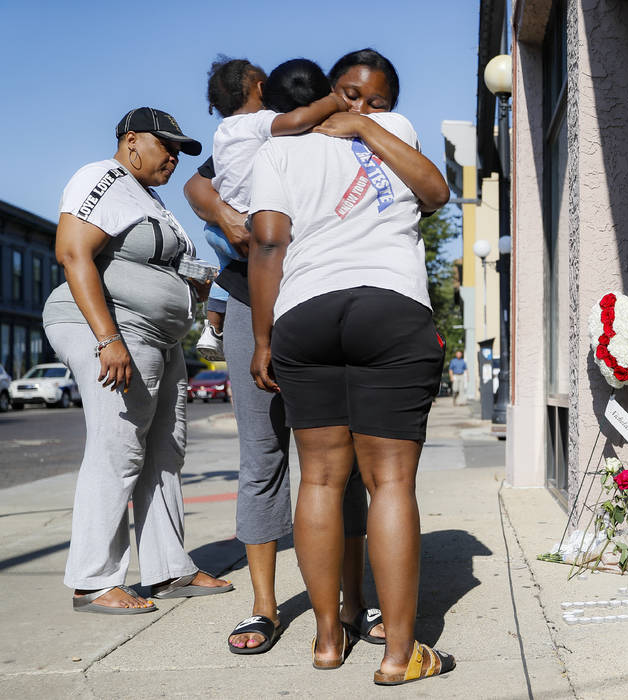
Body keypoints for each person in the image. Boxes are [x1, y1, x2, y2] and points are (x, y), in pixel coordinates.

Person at [247, 48, 454, 682]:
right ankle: (398, 654)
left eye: (376, 103)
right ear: (328, 89)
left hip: (306, 311)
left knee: (319, 481)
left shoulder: (280, 150)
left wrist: (264, 339)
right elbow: (437, 195)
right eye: (351, 95)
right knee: (389, 482)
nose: (362, 108)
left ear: (386, 104)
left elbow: (267, 242)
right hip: (389, 306)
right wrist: (372, 129)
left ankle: (327, 641)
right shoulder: (400, 131)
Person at [184, 58, 384, 655]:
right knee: (262, 454)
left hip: (323, 296)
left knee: (340, 457)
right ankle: (264, 606)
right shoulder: (266, 128)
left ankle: (353, 602)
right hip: (252, 299)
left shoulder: (338, 133)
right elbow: (199, 182)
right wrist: (219, 210)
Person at [43, 107, 234, 614]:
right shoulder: (102, 177)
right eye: (165, 146)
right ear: (131, 141)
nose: (173, 157)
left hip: (158, 338)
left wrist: (189, 280)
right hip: (110, 329)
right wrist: (108, 339)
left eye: (180, 150)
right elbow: (73, 252)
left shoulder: (149, 198)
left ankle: (169, 569)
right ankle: (94, 580)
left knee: (165, 451)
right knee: (119, 448)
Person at [194, 57, 350, 362]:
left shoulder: (224, 132)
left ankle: (213, 326)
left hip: (222, 227)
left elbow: (198, 183)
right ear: (261, 89)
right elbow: (294, 121)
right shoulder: (258, 123)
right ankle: (228, 326)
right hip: (252, 221)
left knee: (226, 272)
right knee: (257, 269)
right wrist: (334, 101)